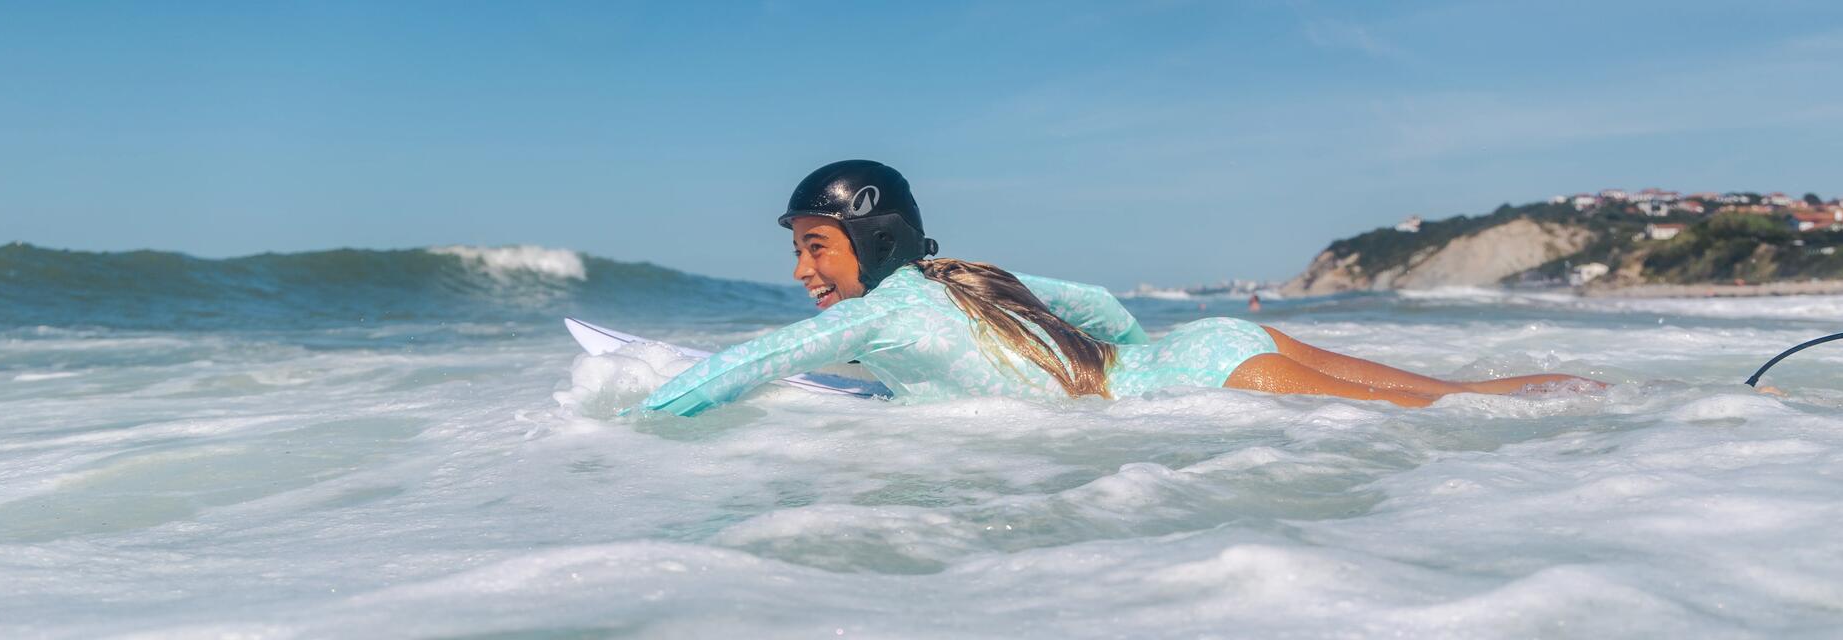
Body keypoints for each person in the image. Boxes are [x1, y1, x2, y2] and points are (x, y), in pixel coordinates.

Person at [635, 160, 1597, 417]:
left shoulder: (888, 309)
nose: (803, 271)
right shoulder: (965, 277)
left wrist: (631, 410)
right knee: (1458, 400)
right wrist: (1119, 364)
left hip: (1212, 378)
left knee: (1457, 420)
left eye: (815, 247)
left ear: (869, 240)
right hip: (1204, 349)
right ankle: (1642, 404)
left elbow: (748, 366)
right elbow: (1094, 300)